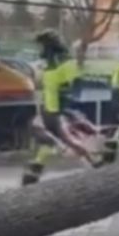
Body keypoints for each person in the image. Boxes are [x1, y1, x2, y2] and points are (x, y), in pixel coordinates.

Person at [23, 30, 88, 185]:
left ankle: (95, 166)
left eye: (42, 45)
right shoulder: (50, 64)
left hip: (58, 110)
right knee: (50, 139)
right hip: (49, 108)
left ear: (49, 46)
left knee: (62, 140)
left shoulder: (65, 63)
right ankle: (34, 173)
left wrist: (64, 99)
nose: (40, 50)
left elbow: (75, 85)